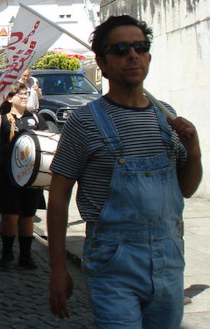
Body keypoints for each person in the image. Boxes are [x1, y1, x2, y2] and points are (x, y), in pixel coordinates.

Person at [47, 15, 202, 328]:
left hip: (169, 259)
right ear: (102, 64)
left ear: (148, 56)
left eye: (140, 47)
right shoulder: (84, 122)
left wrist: (195, 150)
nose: (132, 55)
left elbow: (186, 188)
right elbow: (59, 196)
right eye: (120, 49)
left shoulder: (167, 117)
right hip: (113, 262)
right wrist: (58, 268)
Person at [0, 82, 47, 270]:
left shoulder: (36, 118)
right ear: (10, 98)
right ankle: (7, 254)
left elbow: (47, 140)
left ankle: (25, 256)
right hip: (7, 173)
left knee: (28, 216)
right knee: (10, 215)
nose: (25, 97)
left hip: (29, 175)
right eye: (21, 94)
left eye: (26, 94)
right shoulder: (1, 120)